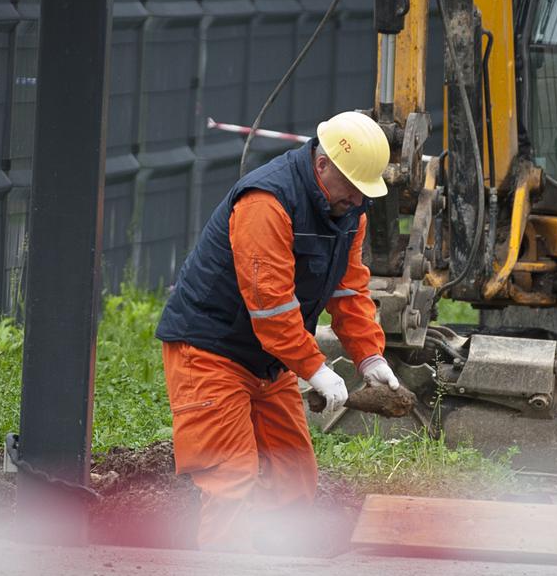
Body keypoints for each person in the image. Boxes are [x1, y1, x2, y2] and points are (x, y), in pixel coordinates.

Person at [155, 110, 401, 552]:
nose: (359, 201)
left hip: (270, 360)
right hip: (210, 352)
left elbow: (348, 290)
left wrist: (370, 357)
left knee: (294, 479)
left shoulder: (349, 209)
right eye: (353, 189)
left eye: (366, 192)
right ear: (322, 165)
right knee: (230, 479)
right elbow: (271, 309)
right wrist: (316, 369)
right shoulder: (265, 202)